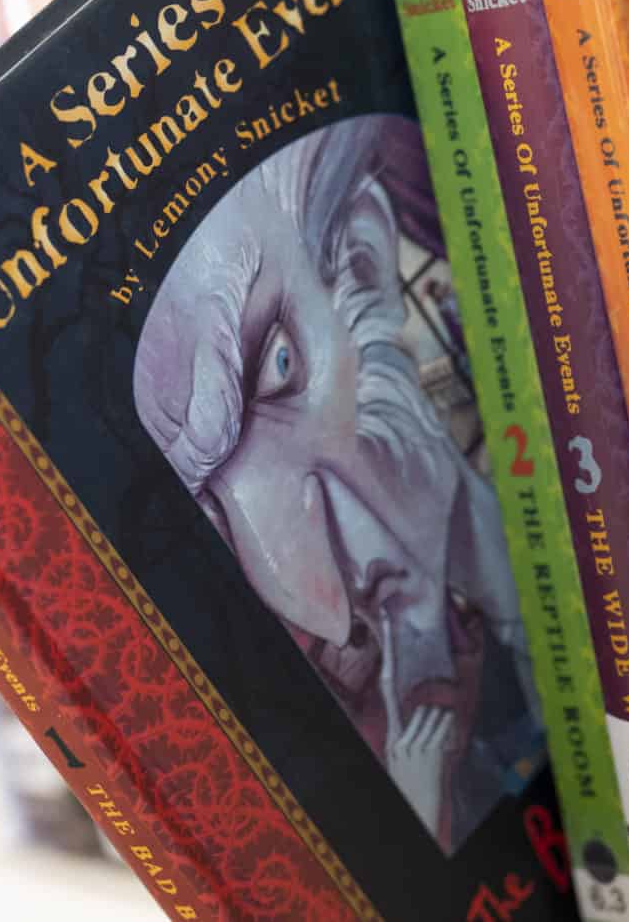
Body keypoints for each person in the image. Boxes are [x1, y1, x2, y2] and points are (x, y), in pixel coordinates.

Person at [134, 114, 539, 851]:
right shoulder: (423, 698)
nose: (318, 604)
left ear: (361, 260)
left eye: (279, 366)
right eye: (213, 507)